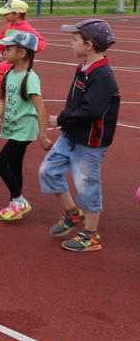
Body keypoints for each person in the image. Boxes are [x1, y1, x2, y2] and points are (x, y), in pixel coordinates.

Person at [39, 19, 119, 252]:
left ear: (89, 45)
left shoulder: (102, 75)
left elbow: (92, 110)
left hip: (90, 142)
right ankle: (72, 214)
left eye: (75, 40)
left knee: (87, 184)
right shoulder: (84, 68)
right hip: (71, 135)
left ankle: (91, 235)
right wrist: (66, 123)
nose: (71, 44)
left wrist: (61, 119)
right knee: (48, 171)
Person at [0, 31, 50, 221]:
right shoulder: (9, 74)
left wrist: (43, 135)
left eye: (8, 49)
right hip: (12, 127)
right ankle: (14, 204)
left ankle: (19, 200)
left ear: (22, 53)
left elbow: (41, 109)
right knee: (15, 166)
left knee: (0, 164)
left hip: (24, 128)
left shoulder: (30, 78)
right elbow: (2, 99)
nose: (3, 52)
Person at [0, 0, 46, 93]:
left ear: (17, 14)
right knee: (14, 80)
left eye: (7, 13)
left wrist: (26, 51)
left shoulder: (26, 28)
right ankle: (12, 96)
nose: (4, 15)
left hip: (19, 61)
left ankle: (6, 96)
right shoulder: (7, 28)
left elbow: (41, 42)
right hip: (9, 59)